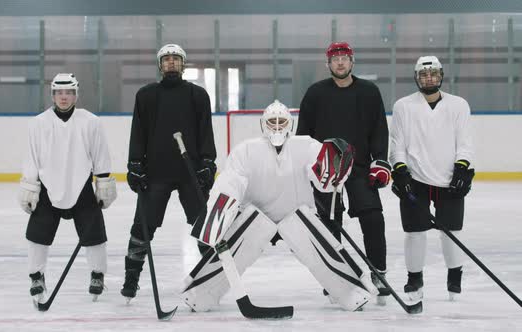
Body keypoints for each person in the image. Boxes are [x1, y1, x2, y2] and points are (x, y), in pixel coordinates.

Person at [181, 100, 377, 313]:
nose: (277, 126)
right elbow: (231, 182)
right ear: (263, 124)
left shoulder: (306, 145)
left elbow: (324, 179)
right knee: (235, 248)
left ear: (290, 124)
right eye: (272, 121)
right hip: (255, 217)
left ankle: (352, 293)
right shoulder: (246, 150)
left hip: (297, 215)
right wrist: (218, 216)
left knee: (318, 248)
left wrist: (336, 165)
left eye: (281, 121)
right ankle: (199, 295)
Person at [296, 41, 392, 304]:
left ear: (352, 62)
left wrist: (381, 162)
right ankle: (335, 276)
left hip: (359, 167)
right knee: (328, 224)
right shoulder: (315, 93)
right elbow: (303, 133)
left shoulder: (369, 92)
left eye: (345, 58)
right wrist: (305, 165)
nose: (340, 62)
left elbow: (379, 130)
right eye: (335, 58)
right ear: (328, 63)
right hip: (325, 168)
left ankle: (378, 273)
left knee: (373, 217)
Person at [122, 43, 217, 302]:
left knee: (204, 227)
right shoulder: (146, 95)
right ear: (160, 65)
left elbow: (206, 132)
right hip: (156, 172)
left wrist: (208, 162)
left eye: (176, 59)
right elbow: (138, 132)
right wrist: (135, 165)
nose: (171, 63)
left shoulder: (197, 95)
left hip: (190, 172)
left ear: (182, 64)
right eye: (167, 60)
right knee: (142, 227)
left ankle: (214, 279)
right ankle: (131, 280)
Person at [19, 73, 117, 304]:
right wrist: (30, 186)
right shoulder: (39, 123)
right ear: (53, 95)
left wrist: (102, 184)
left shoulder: (91, 122)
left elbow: (100, 155)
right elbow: (32, 157)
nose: (64, 97)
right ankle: (36, 276)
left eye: (69, 93)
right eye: (59, 93)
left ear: (76, 95)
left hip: (81, 185)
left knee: (94, 234)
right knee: (37, 234)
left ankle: (97, 274)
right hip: (47, 187)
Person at [389, 55, 475, 301]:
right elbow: (397, 145)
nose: (429, 78)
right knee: (414, 232)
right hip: (415, 179)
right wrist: (401, 171)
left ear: (441, 76)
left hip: (450, 180)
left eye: (433, 74)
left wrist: (462, 169)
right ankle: (414, 279)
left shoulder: (459, 105)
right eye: (424, 75)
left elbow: (465, 143)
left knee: (452, 231)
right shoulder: (403, 106)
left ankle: (454, 278)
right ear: (417, 78)